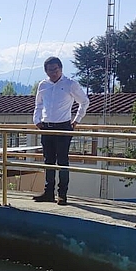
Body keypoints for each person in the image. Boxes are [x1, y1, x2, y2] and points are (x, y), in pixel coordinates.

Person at [32, 57, 89, 205]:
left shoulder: (70, 84)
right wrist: (37, 120)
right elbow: (38, 104)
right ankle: (48, 192)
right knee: (48, 161)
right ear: (46, 71)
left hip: (63, 126)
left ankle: (62, 194)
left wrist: (76, 120)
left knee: (62, 161)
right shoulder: (43, 85)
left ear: (61, 69)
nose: (54, 73)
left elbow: (84, 101)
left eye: (56, 69)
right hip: (46, 127)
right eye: (51, 70)